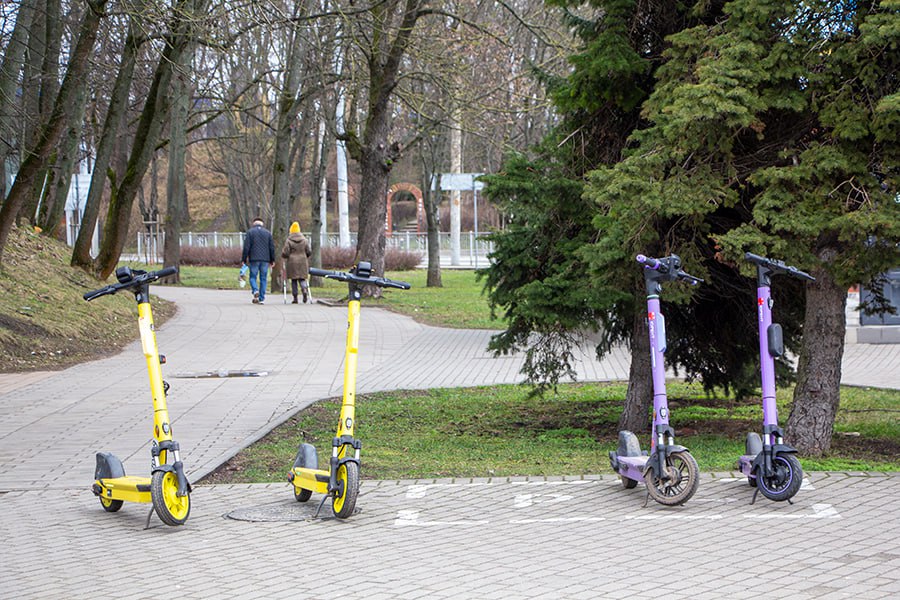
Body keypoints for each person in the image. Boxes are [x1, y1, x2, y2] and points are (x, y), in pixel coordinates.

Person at [241, 217, 275, 304]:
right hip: (265, 259)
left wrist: (244, 259)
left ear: (254, 223)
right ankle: (261, 297)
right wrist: (272, 260)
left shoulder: (250, 232)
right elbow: (271, 247)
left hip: (254, 259)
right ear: (262, 224)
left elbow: (246, 247)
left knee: (253, 277)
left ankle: (255, 290)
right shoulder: (268, 233)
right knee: (263, 278)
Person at [281, 221, 311, 304]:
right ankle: (304, 289)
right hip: (303, 261)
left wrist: (284, 255)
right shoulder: (304, 240)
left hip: (292, 262)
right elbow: (309, 251)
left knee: (294, 280)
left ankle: (295, 298)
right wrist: (305, 256)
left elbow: (286, 252)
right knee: (302, 278)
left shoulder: (289, 240)